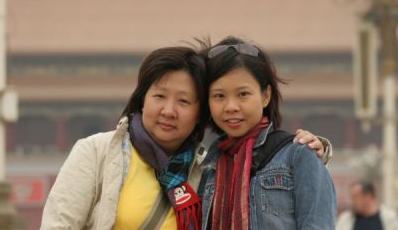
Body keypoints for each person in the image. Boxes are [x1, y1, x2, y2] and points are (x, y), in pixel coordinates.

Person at [40, 45, 332, 229]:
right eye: (159, 96)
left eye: (184, 101)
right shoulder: (97, 153)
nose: (169, 110)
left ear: (198, 112)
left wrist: (315, 151)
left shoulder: (202, 168)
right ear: (142, 99)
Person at [197, 36, 337, 230]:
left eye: (243, 94)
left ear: (265, 96)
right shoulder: (208, 167)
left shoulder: (298, 156)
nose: (231, 106)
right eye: (219, 96)